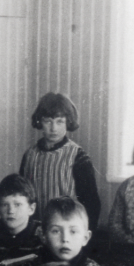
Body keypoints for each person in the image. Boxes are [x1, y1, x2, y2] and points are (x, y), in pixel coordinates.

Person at [19, 92, 101, 233]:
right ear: (40, 122)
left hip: (67, 232)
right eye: (48, 121)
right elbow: (22, 197)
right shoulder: (30, 155)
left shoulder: (78, 156)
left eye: (59, 121)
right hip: (36, 231)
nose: (53, 128)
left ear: (68, 122)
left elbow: (92, 204)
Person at [0, 174, 42, 263]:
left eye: (17, 205)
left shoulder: (41, 235)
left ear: (31, 209)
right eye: (5, 205)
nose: (11, 211)